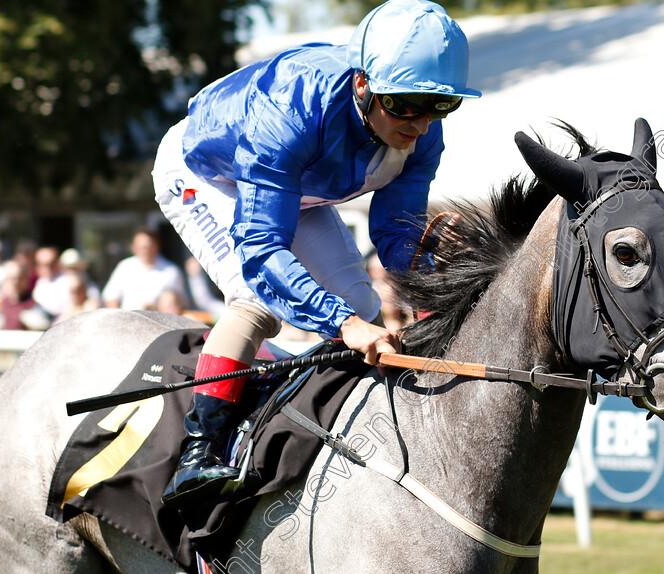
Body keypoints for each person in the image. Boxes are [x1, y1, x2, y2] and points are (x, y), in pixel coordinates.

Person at [152, 0, 480, 506]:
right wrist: (342, 324)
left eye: (440, 105)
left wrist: (437, 277)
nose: (419, 124)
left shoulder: (421, 131)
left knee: (367, 309)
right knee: (258, 298)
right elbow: (262, 249)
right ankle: (200, 452)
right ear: (363, 83)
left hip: (296, 191)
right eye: (405, 104)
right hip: (208, 175)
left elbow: (396, 235)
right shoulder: (290, 109)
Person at [102, 228, 189, 311]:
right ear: (134, 247)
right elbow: (110, 298)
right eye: (141, 247)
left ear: (156, 246)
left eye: (148, 246)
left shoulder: (172, 271)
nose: (145, 250)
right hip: (129, 321)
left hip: (161, 323)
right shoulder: (124, 267)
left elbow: (181, 302)